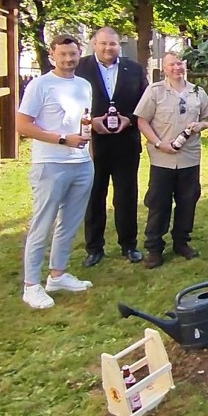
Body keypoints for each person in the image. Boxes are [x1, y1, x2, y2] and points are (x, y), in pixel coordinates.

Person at [16, 34, 95, 309]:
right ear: (53, 55)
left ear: (79, 53)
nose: (68, 59)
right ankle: (31, 285)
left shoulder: (84, 85)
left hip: (82, 163)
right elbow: (23, 125)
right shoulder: (41, 85)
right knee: (43, 224)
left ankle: (58, 275)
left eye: (73, 54)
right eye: (63, 54)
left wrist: (88, 154)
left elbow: (84, 123)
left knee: (70, 223)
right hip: (50, 164)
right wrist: (63, 139)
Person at [76, 27, 148, 267]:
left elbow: (144, 103)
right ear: (95, 44)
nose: (108, 48)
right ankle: (94, 248)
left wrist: (130, 118)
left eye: (113, 44)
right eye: (104, 44)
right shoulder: (80, 68)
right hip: (93, 145)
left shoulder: (134, 70)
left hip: (126, 143)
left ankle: (129, 245)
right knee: (95, 196)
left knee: (126, 197)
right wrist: (90, 121)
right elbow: (69, 103)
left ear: (120, 46)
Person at [134, 52, 208, 269]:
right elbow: (142, 121)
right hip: (162, 159)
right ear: (164, 68)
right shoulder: (155, 91)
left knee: (188, 201)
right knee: (159, 203)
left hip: (189, 157)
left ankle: (181, 242)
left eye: (179, 63)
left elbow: (206, 119)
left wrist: (200, 126)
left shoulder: (197, 92)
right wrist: (158, 143)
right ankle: (154, 248)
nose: (176, 68)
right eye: (171, 64)